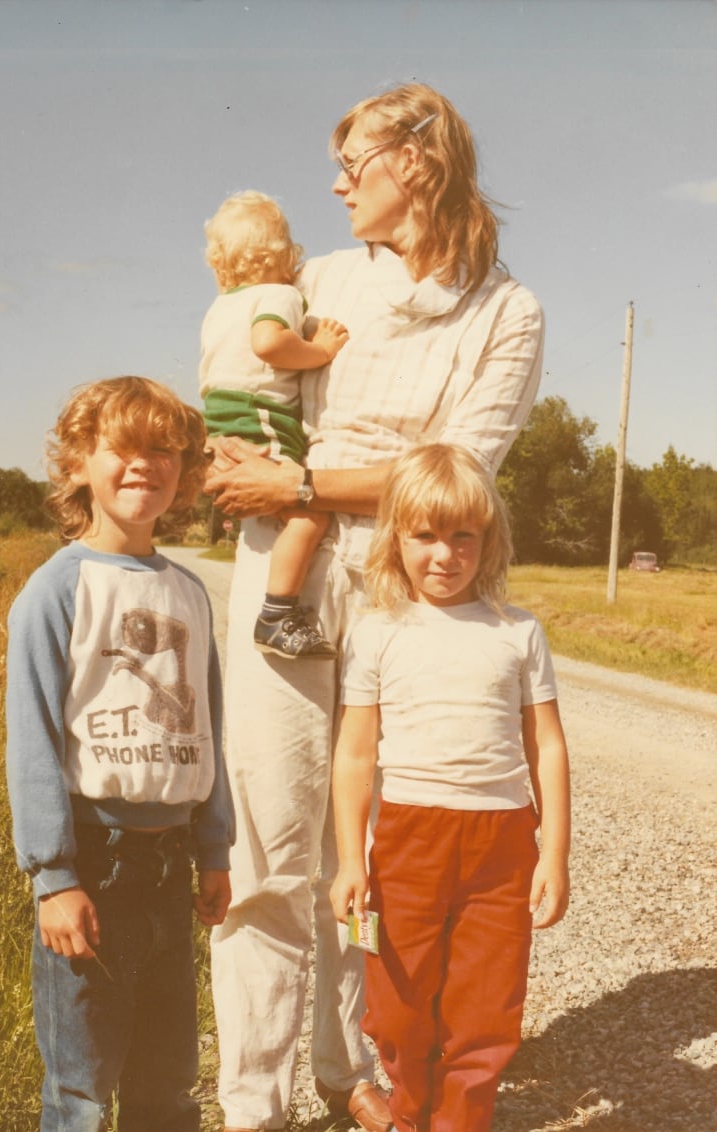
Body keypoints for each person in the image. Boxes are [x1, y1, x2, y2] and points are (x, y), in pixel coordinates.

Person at [206, 82, 545, 1132]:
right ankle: (254, 1103)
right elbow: (247, 387)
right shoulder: (318, 276)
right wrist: (238, 462)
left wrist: (299, 485)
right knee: (271, 849)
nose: (339, 179)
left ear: (421, 162)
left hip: (412, 599)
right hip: (286, 576)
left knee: (368, 856)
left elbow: (454, 477)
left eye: (356, 158)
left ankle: (352, 1066)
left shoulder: (507, 311)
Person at [5, 375, 235, 1132]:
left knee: (166, 1079)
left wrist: (214, 847)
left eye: (164, 450)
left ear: (187, 470)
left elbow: (207, 728)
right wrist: (55, 876)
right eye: (122, 449)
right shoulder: (57, 589)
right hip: (93, 864)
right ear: (78, 464)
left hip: (170, 864)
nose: (145, 466)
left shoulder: (190, 593)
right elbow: (33, 739)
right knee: (80, 1086)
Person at [329, 443, 571, 1132]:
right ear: (396, 539)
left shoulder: (518, 632)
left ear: (487, 539)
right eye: (425, 535)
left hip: (501, 846)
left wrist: (553, 854)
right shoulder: (377, 633)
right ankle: (410, 1115)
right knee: (400, 1006)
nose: (444, 554)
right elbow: (354, 755)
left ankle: (462, 1122)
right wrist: (352, 859)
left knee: (485, 1008)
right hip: (408, 843)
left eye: (463, 535)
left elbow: (547, 746)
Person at [201, 189, 349, 659]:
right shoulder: (280, 294)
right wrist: (320, 352)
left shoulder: (219, 307)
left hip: (222, 416)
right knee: (309, 514)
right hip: (258, 413)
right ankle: (278, 612)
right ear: (282, 254)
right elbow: (268, 343)